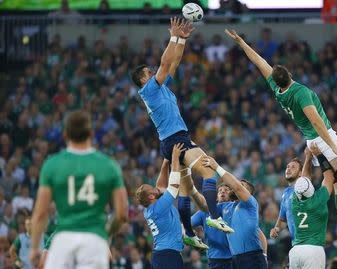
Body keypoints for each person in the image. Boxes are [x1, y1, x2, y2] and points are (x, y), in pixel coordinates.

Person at [225, 29, 337, 253]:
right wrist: (335, 146)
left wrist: (241, 43)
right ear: (289, 74)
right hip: (322, 138)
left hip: (311, 143)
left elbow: (260, 62)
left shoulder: (278, 90)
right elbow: (317, 122)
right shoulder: (300, 93)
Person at [130, 18, 232, 236]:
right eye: (150, 71)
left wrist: (181, 40)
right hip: (176, 138)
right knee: (209, 173)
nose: (154, 71)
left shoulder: (160, 87)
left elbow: (173, 63)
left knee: (186, 190)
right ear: (143, 79)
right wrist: (173, 36)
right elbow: (165, 63)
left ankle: (189, 233)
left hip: (172, 139)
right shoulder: (148, 91)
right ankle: (215, 218)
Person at [29, 110, 128, 269]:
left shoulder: (52, 165)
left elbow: (40, 213)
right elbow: (122, 213)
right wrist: (106, 233)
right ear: (91, 133)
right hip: (94, 240)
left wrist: (34, 248)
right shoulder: (109, 166)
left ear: (65, 134)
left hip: (63, 239)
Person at [202, 156, 267, 269]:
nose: (234, 186)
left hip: (253, 257)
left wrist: (217, 167)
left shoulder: (250, 203)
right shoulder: (226, 207)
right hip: (235, 260)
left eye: (242, 185)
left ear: (248, 193)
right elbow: (206, 205)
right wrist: (205, 180)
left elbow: (237, 187)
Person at [136, 143, 193, 269]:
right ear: (151, 197)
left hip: (162, 255)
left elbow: (161, 186)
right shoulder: (160, 207)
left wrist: (166, 161)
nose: (155, 187)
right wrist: (174, 157)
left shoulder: (150, 208)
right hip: (168, 255)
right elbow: (173, 186)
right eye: (152, 189)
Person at [289, 144, 334, 269]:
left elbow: (303, 180)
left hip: (295, 251)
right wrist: (319, 155)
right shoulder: (318, 200)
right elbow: (329, 177)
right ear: (312, 189)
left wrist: (308, 158)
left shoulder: (294, 200)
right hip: (313, 251)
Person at [191, 184, 233, 269]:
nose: (223, 191)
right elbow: (186, 224)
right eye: (220, 190)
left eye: (226, 190)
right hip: (214, 259)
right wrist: (189, 233)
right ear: (217, 197)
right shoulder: (204, 212)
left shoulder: (235, 209)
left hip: (234, 257)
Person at [270, 157, 303, 243]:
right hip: (295, 243)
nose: (288, 169)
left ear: (300, 173)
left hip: (309, 242)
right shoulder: (286, 192)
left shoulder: (305, 189)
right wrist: (276, 229)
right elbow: (283, 219)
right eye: (288, 166)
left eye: (293, 167)